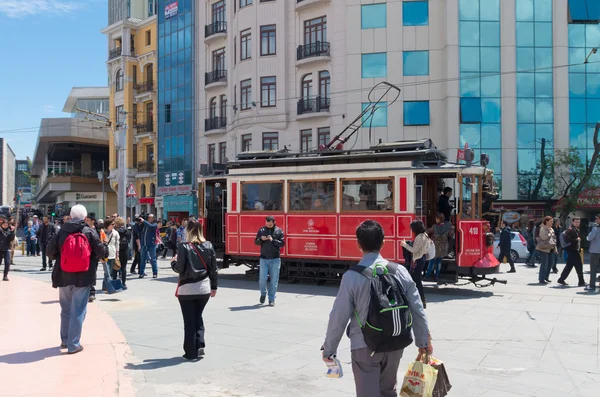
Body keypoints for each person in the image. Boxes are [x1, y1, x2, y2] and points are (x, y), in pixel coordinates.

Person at [322, 220, 432, 397]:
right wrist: (424, 342)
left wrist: (329, 350)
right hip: (396, 343)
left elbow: (338, 317)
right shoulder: (400, 271)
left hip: (364, 346)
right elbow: (417, 308)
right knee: (388, 391)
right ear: (383, 243)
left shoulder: (351, 277)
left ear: (358, 244)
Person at [47, 205, 108, 354]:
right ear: (84, 217)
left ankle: (65, 340)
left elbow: (49, 251)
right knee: (78, 310)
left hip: (63, 275)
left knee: (66, 309)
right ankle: (73, 345)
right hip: (84, 276)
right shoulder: (88, 231)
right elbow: (101, 252)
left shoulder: (62, 231)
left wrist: (61, 257)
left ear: (71, 215)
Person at [171, 219, 218, 360]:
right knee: (198, 316)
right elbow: (213, 269)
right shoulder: (208, 245)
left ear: (188, 231)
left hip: (187, 289)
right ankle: (200, 345)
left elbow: (179, 268)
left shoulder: (184, 246)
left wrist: (173, 262)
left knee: (189, 321)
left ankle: (190, 352)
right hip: (204, 289)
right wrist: (214, 286)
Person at [255, 215, 285, 306]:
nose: (268, 226)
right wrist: (261, 239)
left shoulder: (279, 231)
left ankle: (271, 299)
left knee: (274, 281)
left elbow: (282, 244)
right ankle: (263, 294)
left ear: (274, 222)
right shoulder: (261, 230)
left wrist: (273, 240)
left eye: (270, 225)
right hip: (264, 258)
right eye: (267, 224)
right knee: (262, 279)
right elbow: (256, 242)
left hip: (275, 258)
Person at [400, 220, 429, 307]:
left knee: (415, 280)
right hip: (421, 258)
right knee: (415, 280)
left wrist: (404, 244)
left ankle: (420, 300)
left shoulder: (420, 237)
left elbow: (414, 250)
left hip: (418, 259)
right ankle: (420, 300)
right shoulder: (425, 235)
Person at [558, 217, 585, 287]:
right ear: (572, 222)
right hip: (573, 250)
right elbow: (568, 239)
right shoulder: (570, 230)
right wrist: (576, 240)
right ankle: (581, 282)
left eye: (578, 222)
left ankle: (561, 279)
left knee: (569, 266)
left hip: (573, 250)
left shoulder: (576, 229)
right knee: (579, 266)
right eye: (576, 222)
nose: (577, 223)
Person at [425, 213, 452, 281]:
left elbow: (427, 231)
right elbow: (451, 235)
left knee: (431, 261)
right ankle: (436, 276)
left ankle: (427, 275)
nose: (435, 220)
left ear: (438, 219)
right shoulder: (448, 226)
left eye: (436, 219)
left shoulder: (434, 227)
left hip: (435, 246)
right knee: (439, 262)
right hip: (443, 246)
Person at [536, 216, 556, 285]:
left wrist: (555, 248)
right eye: (551, 221)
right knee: (544, 264)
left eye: (552, 221)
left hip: (551, 248)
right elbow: (543, 237)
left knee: (550, 263)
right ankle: (541, 279)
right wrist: (549, 234)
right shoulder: (542, 228)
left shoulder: (552, 229)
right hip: (543, 248)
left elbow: (554, 239)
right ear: (546, 221)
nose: (552, 223)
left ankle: (546, 277)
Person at [102, 219, 121, 293]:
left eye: (114, 224)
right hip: (105, 254)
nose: (114, 225)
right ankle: (108, 287)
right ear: (108, 225)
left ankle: (105, 286)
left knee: (111, 271)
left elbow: (117, 244)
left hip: (112, 253)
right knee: (107, 271)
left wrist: (117, 254)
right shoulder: (102, 232)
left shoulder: (115, 233)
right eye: (112, 224)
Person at [139, 214, 158, 278]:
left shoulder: (154, 224)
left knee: (153, 259)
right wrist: (138, 222)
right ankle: (141, 273)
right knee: (142, 259)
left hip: (151, 244)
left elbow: (151, 227)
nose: (148, 218)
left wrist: (144, 221)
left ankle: (155, 273)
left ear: (153, 219)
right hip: (144, 244)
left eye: (149, 217)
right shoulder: (144, 224)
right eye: (148, 217)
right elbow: (136, 229)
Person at [114, 217, 130, 289]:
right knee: (123, 268)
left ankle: (115, 284)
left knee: (115, 268)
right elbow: (129, 239)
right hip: (125, 250)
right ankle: (124, 283)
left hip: (116, 251)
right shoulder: (127, 231)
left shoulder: (115, 231)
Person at [585, 215, 600, 292]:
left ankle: (592, 285)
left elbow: (589, 238)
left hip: (595, 251)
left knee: (593, 269)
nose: (596, 220)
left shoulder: (595, 229)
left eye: (597, 219)